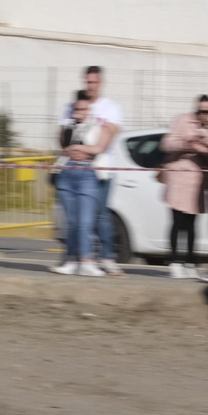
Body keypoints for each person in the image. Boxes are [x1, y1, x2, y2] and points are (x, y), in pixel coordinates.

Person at [59, 66, 123, 274]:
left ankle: (106, 256)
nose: (90, 86)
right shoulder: (72, 107)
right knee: (76, 219)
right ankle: (78, 257)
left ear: (101, 83)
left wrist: (85, 151)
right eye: (88, 82)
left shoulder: (110, 107)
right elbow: (63, 137)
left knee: (100, 214)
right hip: (76, 167)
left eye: (94, 82)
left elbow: (107, 138)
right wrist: (73, 150)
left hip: (101, 168)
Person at [52, 91, 112, 277]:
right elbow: (64, 145)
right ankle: (71, 260)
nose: (80, 111)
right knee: (72, 223)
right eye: (77, 108)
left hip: (87, 173)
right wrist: (72, 132)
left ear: (90, 109)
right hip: (67, 173)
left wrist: (78, 148)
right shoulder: (68, 126)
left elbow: (98, 148)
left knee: (85, 222)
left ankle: (87, 260)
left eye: (84, 108)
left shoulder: (98, 126)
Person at [160, 94, 208, 279]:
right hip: (178, 176)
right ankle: (175, 261)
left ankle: (191, 262)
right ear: (196, 109)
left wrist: (204, 144)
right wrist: (187, 143)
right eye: (201, 111)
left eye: (207, 112)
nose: (203, 115)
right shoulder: (182, 120)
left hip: (197, 180)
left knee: (192, 224)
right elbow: (167, 143)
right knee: (177, 221)